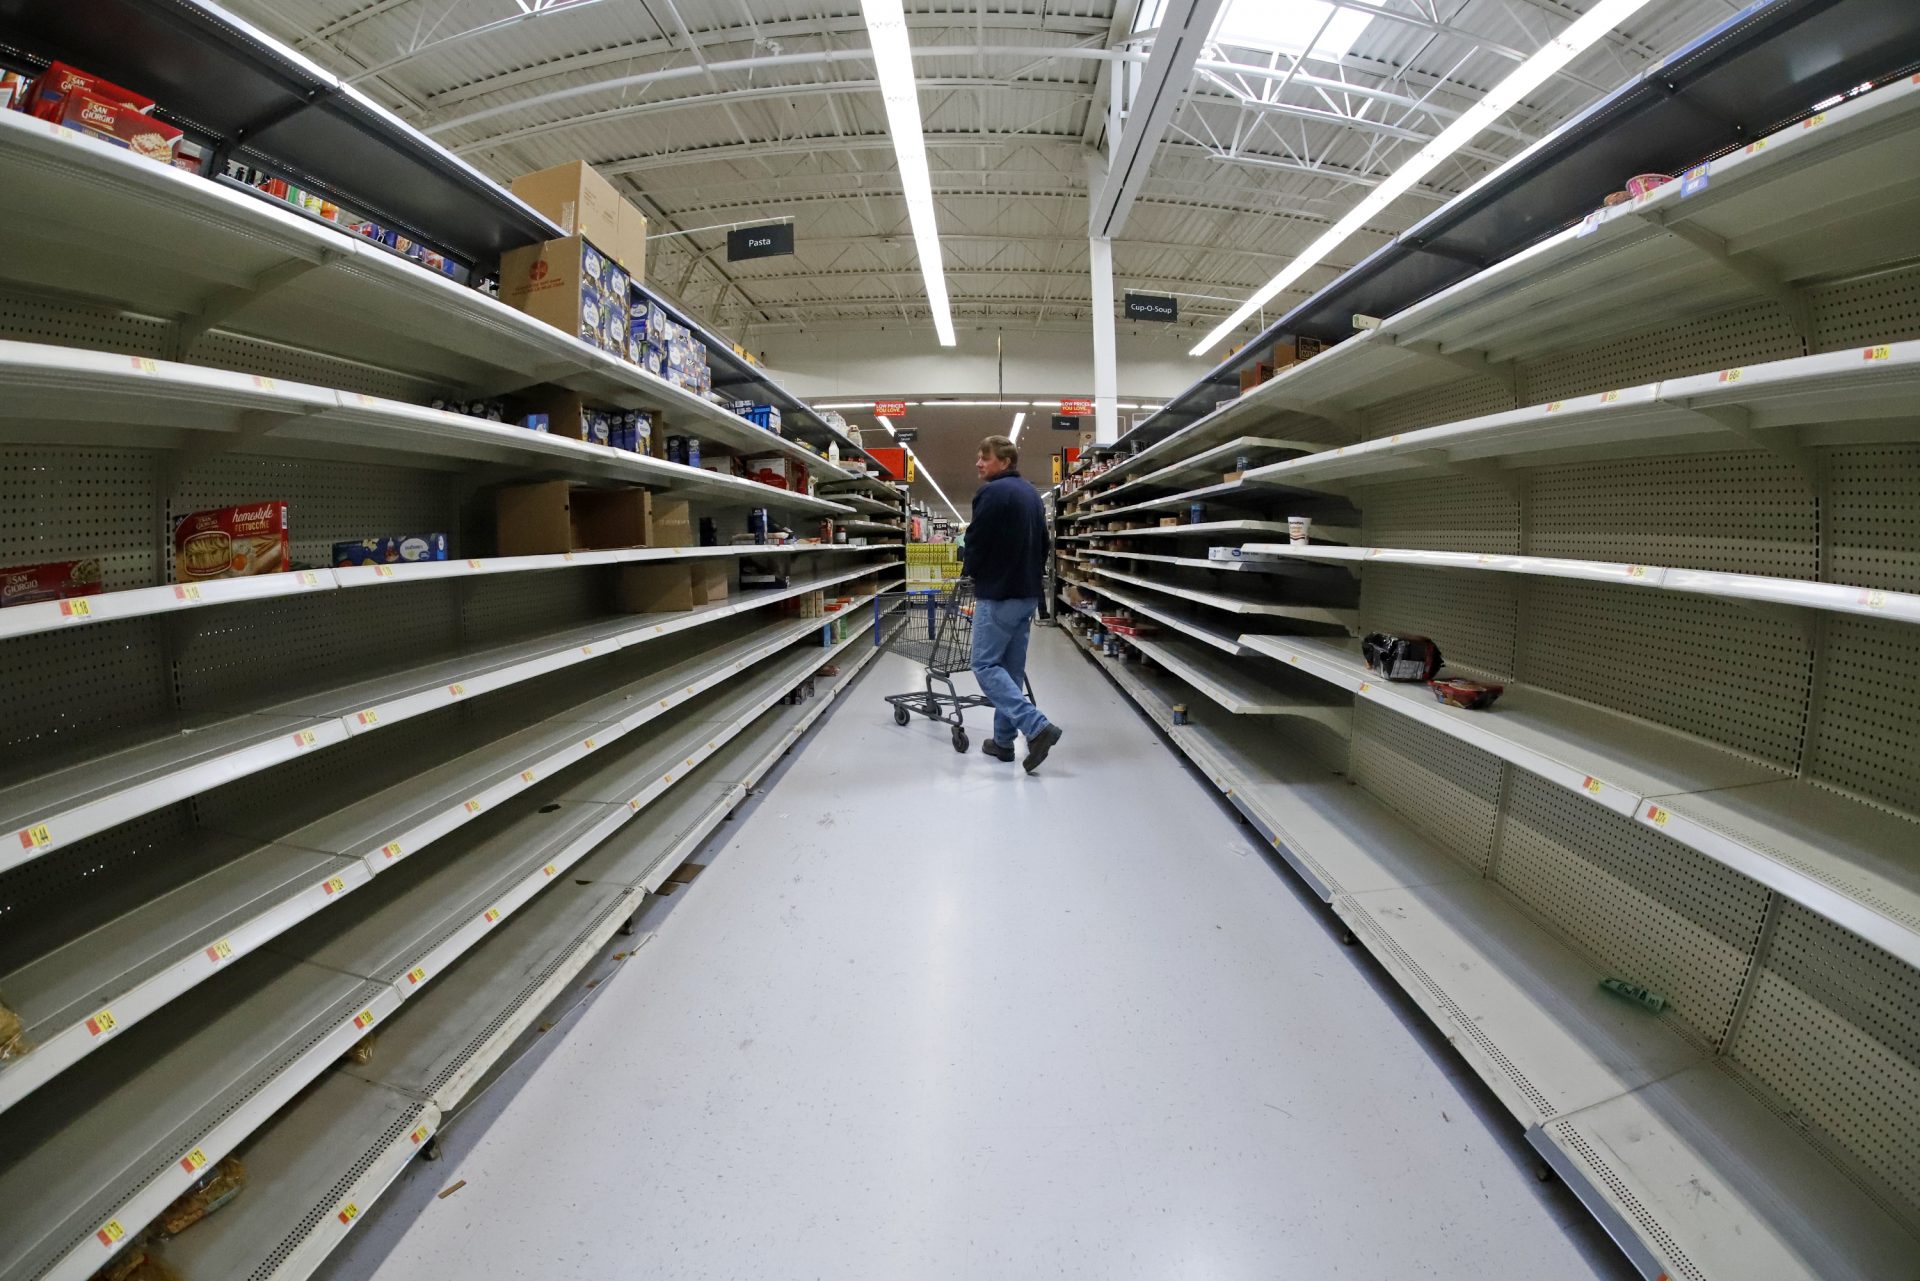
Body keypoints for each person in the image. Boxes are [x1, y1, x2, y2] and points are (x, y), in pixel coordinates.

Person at [963, 434, 1062, 772]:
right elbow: (1045, 544)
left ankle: (1035, 726)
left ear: (1003, 462)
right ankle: (1003, 743)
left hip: (999, 592)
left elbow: (976, 541)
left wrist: (971, 572)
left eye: (984, 457)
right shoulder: (1032, 494)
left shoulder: (991, 492)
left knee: (985, 665)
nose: (978, 463)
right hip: (1026, 595)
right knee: (1011, 670)